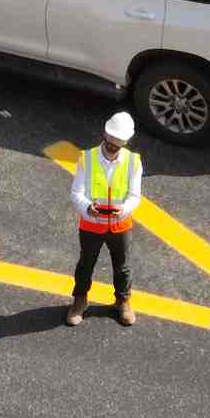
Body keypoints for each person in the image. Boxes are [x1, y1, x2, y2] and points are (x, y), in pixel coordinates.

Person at [66, 112, 143, 327]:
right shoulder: (87, 158)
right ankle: (79, 300)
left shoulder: (133, 162)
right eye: (111, 139)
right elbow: (76, 192)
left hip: (120, 225)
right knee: (86, 264)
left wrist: (124, 209)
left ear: (125, 141)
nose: (113, 144)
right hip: (91, 225)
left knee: (122, 266)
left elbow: (134, 196)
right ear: (105, 134)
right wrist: (88, 208)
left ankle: (123, 301)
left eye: (118, 141)